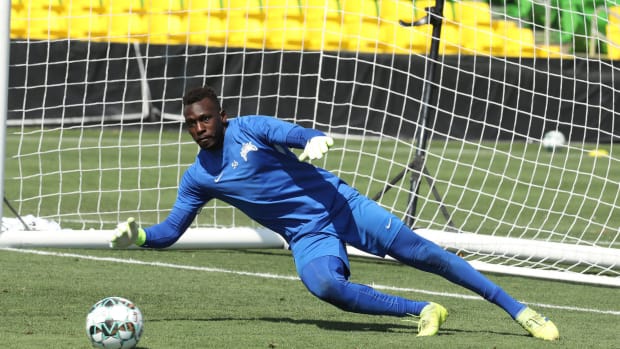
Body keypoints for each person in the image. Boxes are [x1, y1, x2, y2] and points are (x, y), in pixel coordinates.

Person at [110, 85, 559, 340]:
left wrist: (312, 139)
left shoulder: (250, 129)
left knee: (425, 254)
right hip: (308, 234)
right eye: (190, 123)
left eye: (204, 119)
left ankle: (519, 312)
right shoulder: (198, 177)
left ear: (221, 116)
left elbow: (293, 131)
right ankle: (425, 310)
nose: (198, 129)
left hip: (341, 205)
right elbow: (172, 229)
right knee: (323, 284)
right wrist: (142, 238)